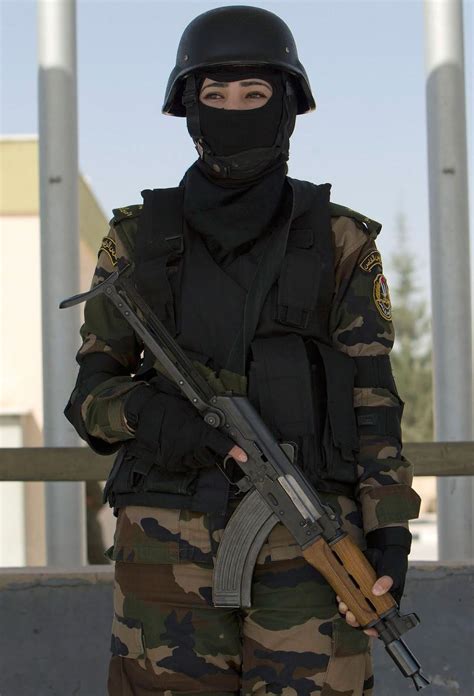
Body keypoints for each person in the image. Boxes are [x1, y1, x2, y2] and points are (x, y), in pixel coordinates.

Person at [65, 6, 421, 695]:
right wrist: (172, 423)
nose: (234, 110)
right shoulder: (137, 241)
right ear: (189, 110)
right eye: (215, 96)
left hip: (311, 533)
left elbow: (375, 405)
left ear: (286, 107)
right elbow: (91, 402)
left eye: (255, 94)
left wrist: (392, 536)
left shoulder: (342, 240)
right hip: (167, 541)